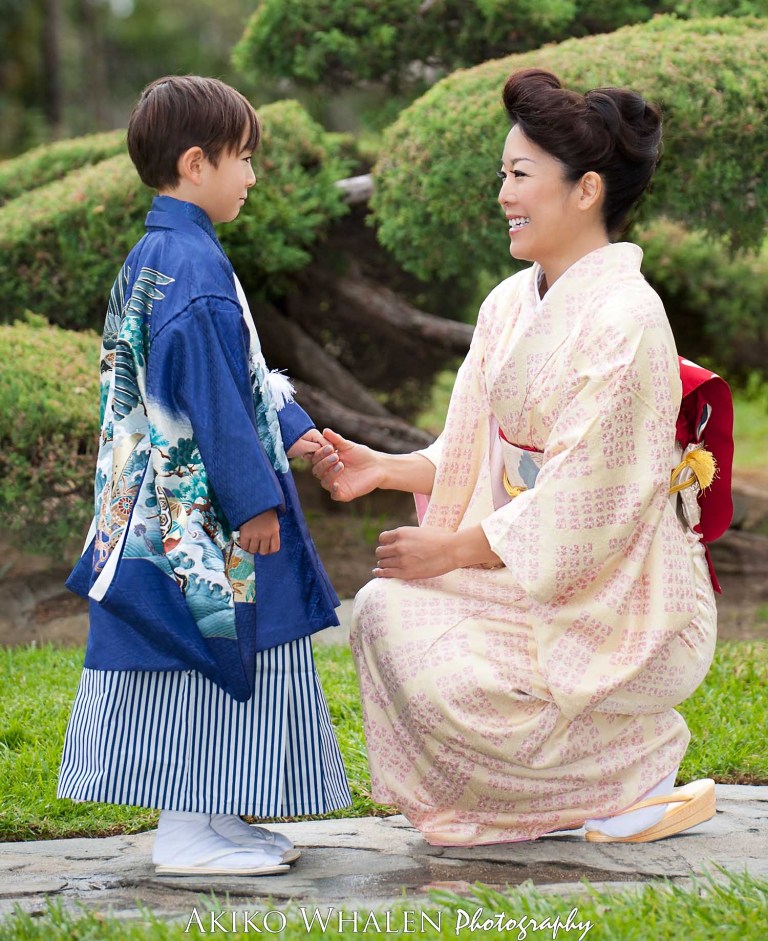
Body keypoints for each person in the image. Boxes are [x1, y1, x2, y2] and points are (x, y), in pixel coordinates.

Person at [311, 68, 730, 847]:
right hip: (529, 563)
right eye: (502, 174)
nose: (502, 193)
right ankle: (543, 797)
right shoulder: (508, 302)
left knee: (443, 659)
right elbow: (470, 447)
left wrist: (456, 548)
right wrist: (387, 467)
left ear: (585, 190)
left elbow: (583, 500)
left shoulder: (628, 318)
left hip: (617, 589)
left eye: (519, 175)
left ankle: (634, 767)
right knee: (384, 612)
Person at [58, 76, 351, 875]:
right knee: (208, 654)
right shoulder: (191, 267)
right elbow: (210, 397)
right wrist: (253, 498)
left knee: (215, 656)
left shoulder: (161, 256)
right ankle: (188, 832)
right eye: (244, 159)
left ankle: (215, 817)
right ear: (196, 164)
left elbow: (235, 373)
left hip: (153, 515)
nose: (253, 176)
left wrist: (294, 432)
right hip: (199, 525)